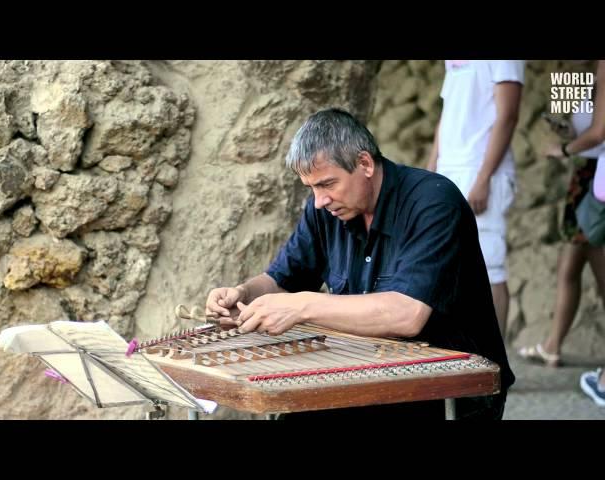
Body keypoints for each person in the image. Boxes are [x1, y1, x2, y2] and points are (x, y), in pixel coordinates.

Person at [205, 108, 515, 419]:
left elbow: (407, 316)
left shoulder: (434, 202)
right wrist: (244, 294)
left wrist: (302, 307)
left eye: (327, 184)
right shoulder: (325, 211)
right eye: (311, 188)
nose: (319, 200)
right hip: (368, 375)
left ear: (365, 163)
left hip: (449, 388)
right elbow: (281, 280)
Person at [426, 60, 525, 339]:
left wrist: (484, 178)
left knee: (489, 264)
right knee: (449, 264)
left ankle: (496, 368)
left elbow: (508, 116)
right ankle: (465, 360)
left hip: (480, 171)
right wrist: (431, 172)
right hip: (450, 170)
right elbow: (447, 115)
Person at [519, 61, 605, 370]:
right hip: (585, 178)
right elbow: (585, 129)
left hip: (597, 183)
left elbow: (598, 134)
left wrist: (564, 149)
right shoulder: (583, 75)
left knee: (596, 273)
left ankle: (554, 347)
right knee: (569, 267)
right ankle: (552, 346)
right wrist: (564, 130)